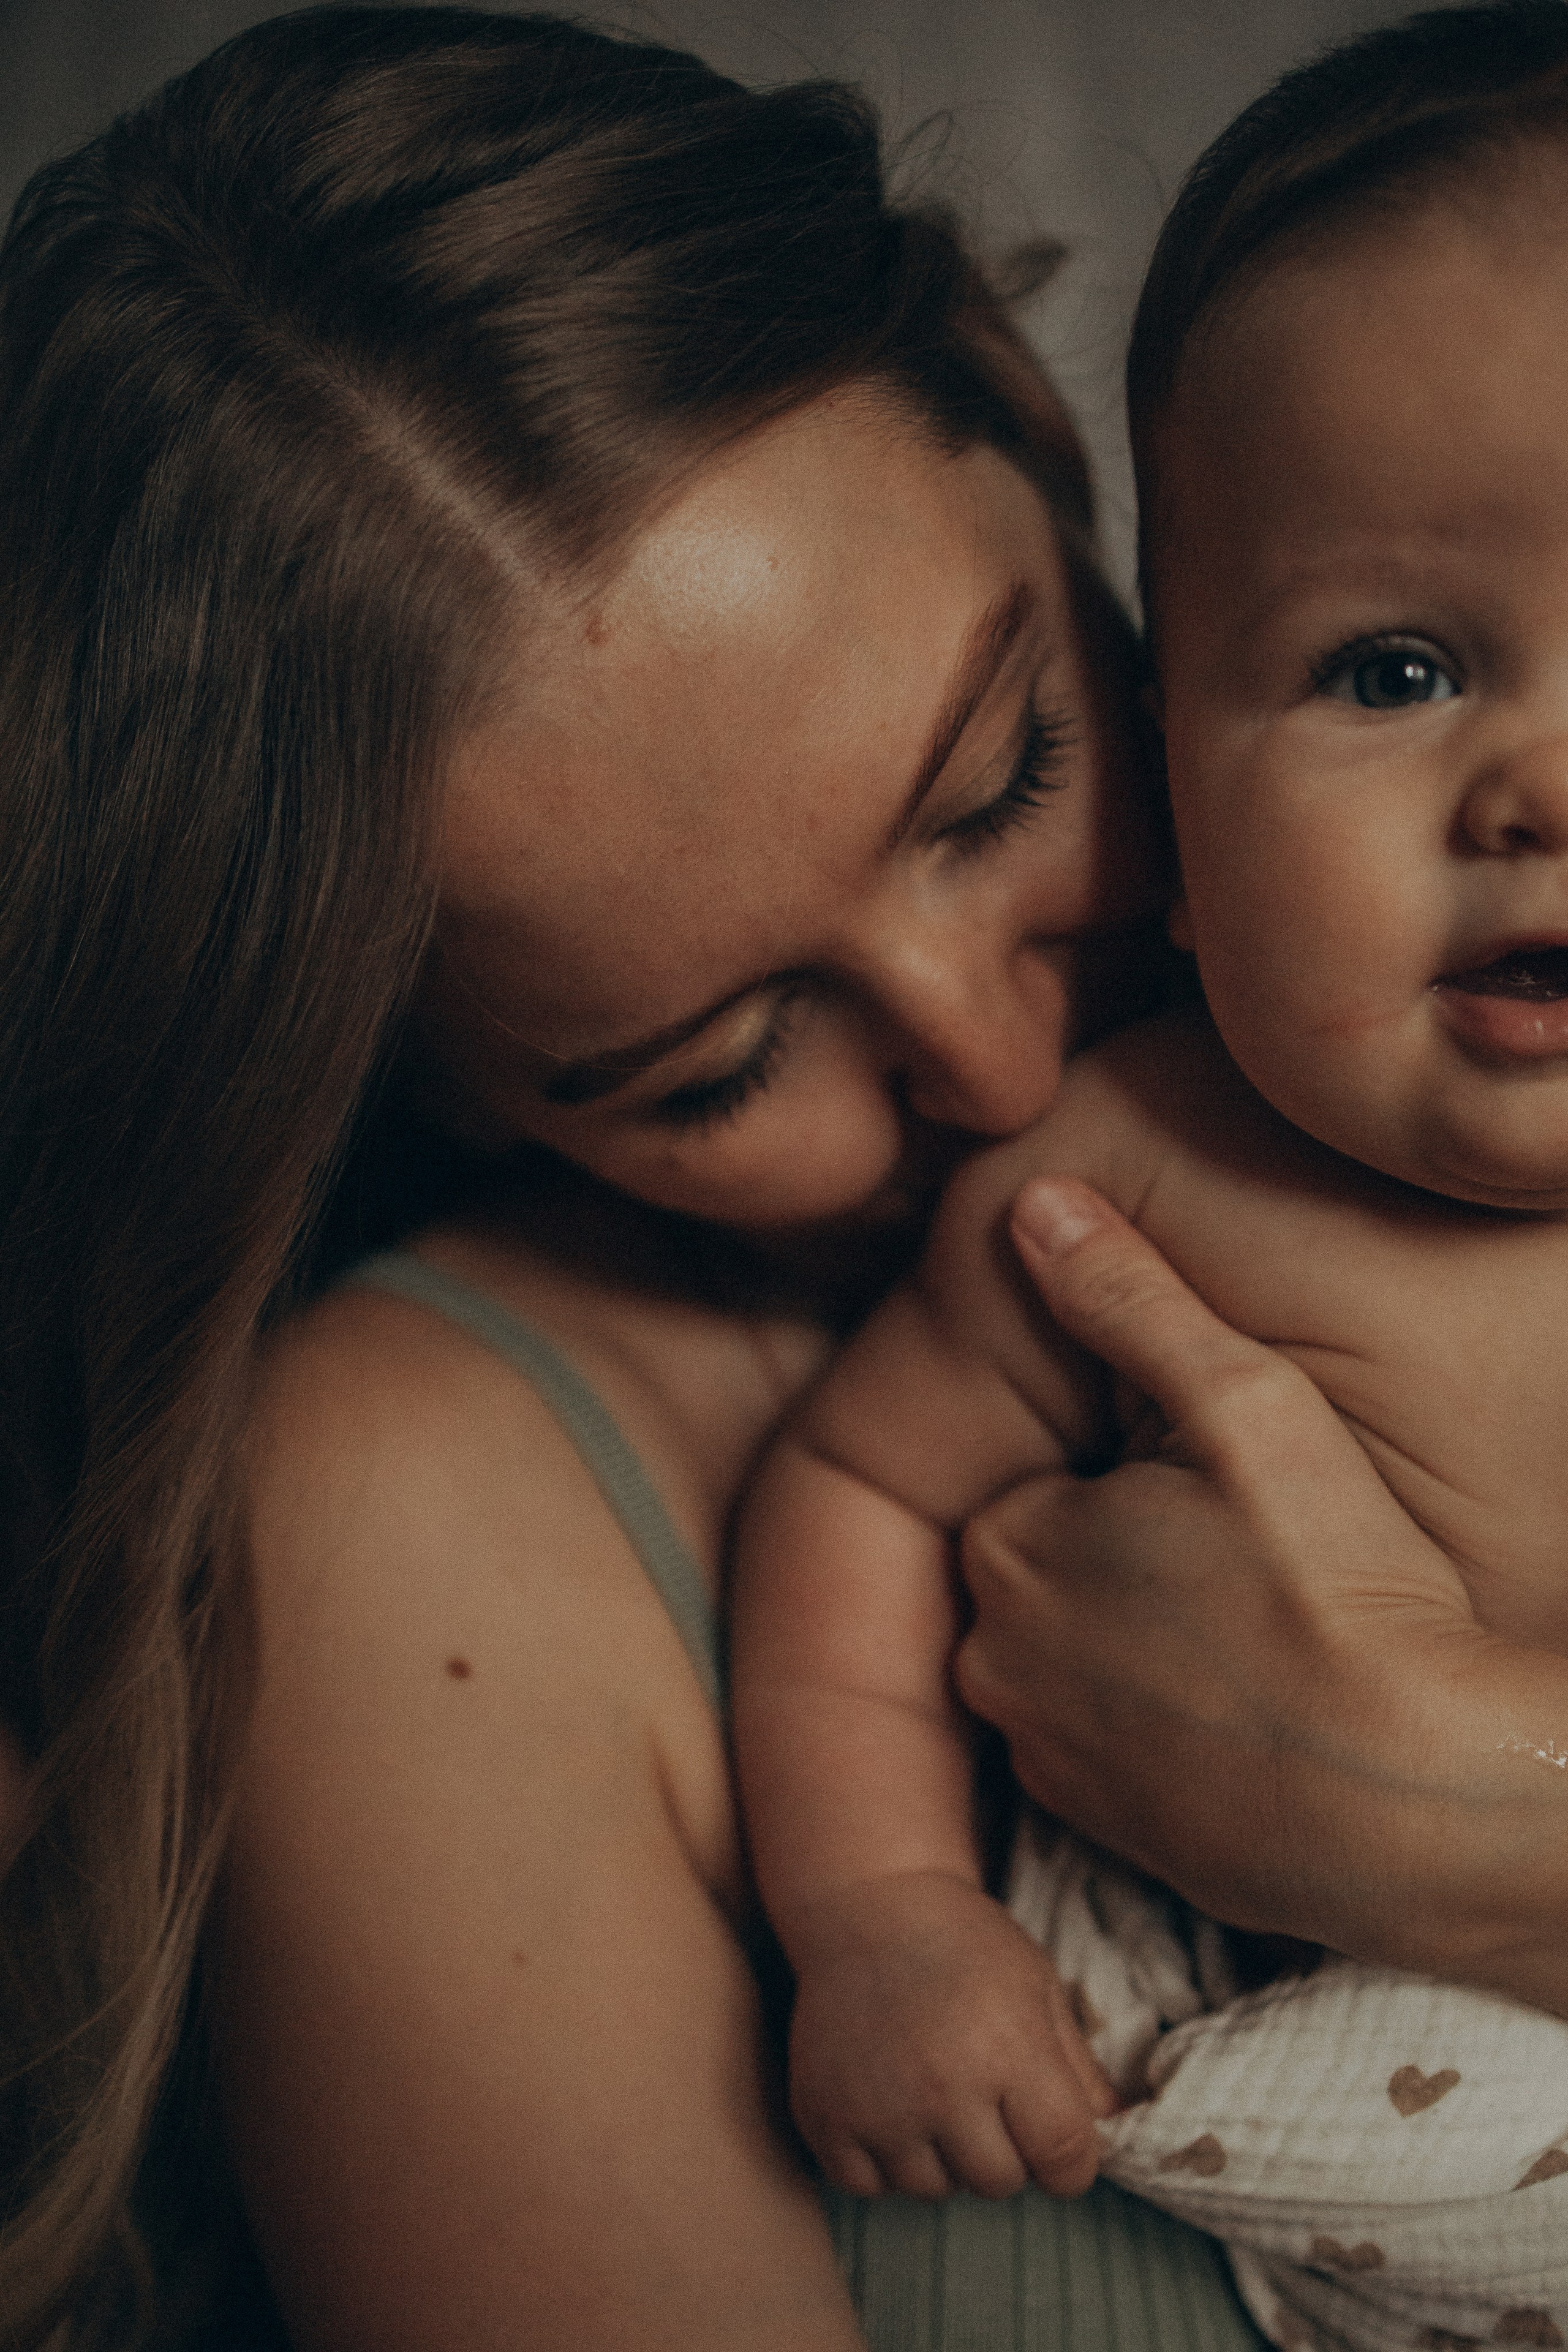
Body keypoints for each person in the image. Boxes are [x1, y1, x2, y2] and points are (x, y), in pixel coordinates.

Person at [0, 7, 1560, 2351]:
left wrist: (1491, 1839)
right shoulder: (415, 1512)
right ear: (438, 1095)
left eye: (1007, 774)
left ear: (1036, 441)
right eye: (716, 1066)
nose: (1002, 1052)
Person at [729, 7, 1568, 2349]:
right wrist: (887, 1916)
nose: (1536, 781)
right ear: (1175, 820)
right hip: (1372, 2112)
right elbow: (866, 1506)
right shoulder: (1139, 1174)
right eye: (1393, 669)